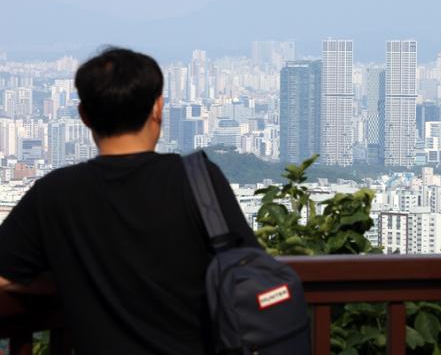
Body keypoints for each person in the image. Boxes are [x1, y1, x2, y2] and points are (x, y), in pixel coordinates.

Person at [0, 47, 259, 354]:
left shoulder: (56, 193)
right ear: (158, 108)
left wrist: (60, 279)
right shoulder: (198, 180)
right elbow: (251, 270)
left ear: (83, 115)